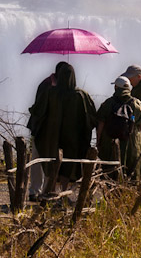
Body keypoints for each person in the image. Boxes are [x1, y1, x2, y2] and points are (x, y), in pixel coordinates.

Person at [34, 62, 97, 194]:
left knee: (53, 163)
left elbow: (39, 112)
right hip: (73, 138)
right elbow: (91, 117)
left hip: (53, 136)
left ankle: (51, 191)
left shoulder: (51, 93)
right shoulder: (81, 95)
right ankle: (63, 191)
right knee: (68, 165)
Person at [26, 61, 68, 201]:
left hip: (50, 130)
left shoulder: (56, 85)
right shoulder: (47, 85)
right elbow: (39, 108)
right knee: (38, 159)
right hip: (40, 128)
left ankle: (45, 190)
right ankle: (34, 191)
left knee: (49, 159)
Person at [97, 76, 141, 181]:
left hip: (110, 142)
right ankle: (129, 195)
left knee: (110, 173)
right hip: (132, 145)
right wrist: (139, 142)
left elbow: (100, 123)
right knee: (132, 174)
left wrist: (99, 141)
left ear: (116, 87)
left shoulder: (108, 103)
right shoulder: (136, 104)